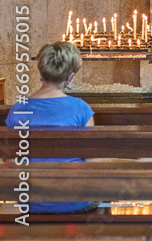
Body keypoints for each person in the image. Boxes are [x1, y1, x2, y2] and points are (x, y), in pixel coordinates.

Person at [4, 42, 96, 214]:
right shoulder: (81, 108)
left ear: (42, 71)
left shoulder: (18, 109)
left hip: (31, 202)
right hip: (74, 202)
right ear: (70, 77)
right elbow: (91, 163)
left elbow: (11, 161)